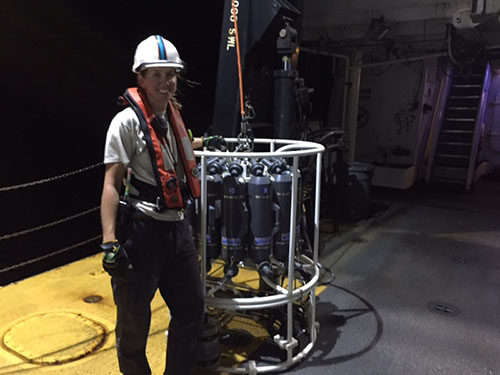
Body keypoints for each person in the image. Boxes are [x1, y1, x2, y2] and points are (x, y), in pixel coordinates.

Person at [100, 35, 225, 375]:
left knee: (191, 310)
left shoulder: (173, 116)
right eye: (156, 74)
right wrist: (110, 242)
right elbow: (111, 184)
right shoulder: (125, 123)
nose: (165, 82)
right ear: (140, 78)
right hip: (143, 233)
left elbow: (176, 150)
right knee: (133, 324)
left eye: (170, 74)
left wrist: (204, 142)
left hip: (178, 231)